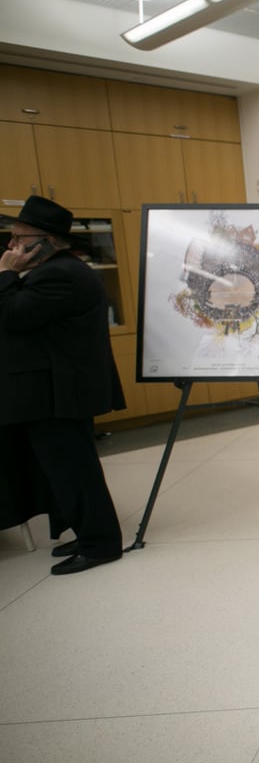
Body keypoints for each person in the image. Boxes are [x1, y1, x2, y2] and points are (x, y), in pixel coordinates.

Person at [0, 195, 126, 574]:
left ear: (47, 241)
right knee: (70, 470)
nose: (11, 246)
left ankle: (101, 544)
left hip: (62, 393)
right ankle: (90, 533)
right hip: (57, 390)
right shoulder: (57, 270)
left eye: (20, 238)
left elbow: (13, 316)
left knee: (75, 471)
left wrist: (4, 274)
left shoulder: (60, 274)